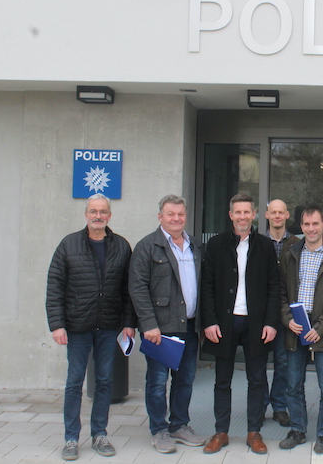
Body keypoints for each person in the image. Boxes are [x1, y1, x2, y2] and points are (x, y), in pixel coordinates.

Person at [46, 194, 135, 461]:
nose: (98, 216)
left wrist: (129, 323)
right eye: (94, 211)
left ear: (110, 215)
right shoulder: (69, 244)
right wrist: (57, 325)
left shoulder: (121, 246)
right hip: (77, 326)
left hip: (109, 326)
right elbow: (55, 287)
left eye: (103, 211)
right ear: (86, 214)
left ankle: (99, 434)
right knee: (75, 382)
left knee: (105, 381)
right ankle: (71, 438)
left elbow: (128, 290)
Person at [200, 194, 280, 455]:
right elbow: (207, 286)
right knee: (222, 380)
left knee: (257, 379)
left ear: (254, 215)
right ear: (230, 215)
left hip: (256, 323)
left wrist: (271, 322)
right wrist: (209, 321)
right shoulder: (216, 244)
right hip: (224, 322)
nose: (243, 217)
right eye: (238, 212)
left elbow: (274, 287)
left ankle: (254, 432)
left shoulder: (265, 246)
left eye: (247, 212)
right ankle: (221, 432)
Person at [129, 194, 208, 454]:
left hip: (190, 326)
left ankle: (179, 425)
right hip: (160, 330)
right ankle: (159, 430)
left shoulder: (195, 246)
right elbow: (138, 288)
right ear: (160, 216)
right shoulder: (147, 247)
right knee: (157, 381)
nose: (176, 219)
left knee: (185, 380)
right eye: (170, 214)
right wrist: (148, 324)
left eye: (180, 214)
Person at [278, 206, 323, 455]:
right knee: (293, 384)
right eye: (306, 224)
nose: (311, 229)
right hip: (295, 326)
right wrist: (287, 319)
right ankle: (297, 429)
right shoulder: (290, 254)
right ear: (301, 226)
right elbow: (281, 293)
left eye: (315, 224)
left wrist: (322, 327)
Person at [262, 198, 295, 427]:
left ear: (287, 215)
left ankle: (279, 406)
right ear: (267, 215)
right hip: (261, 312)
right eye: (273, 212)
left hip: (285, 311)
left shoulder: (296, 243)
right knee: (258, 362)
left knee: (283, 362)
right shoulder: (256, 242)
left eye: (280, 212)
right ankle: (259, 404)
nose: (276, 216)